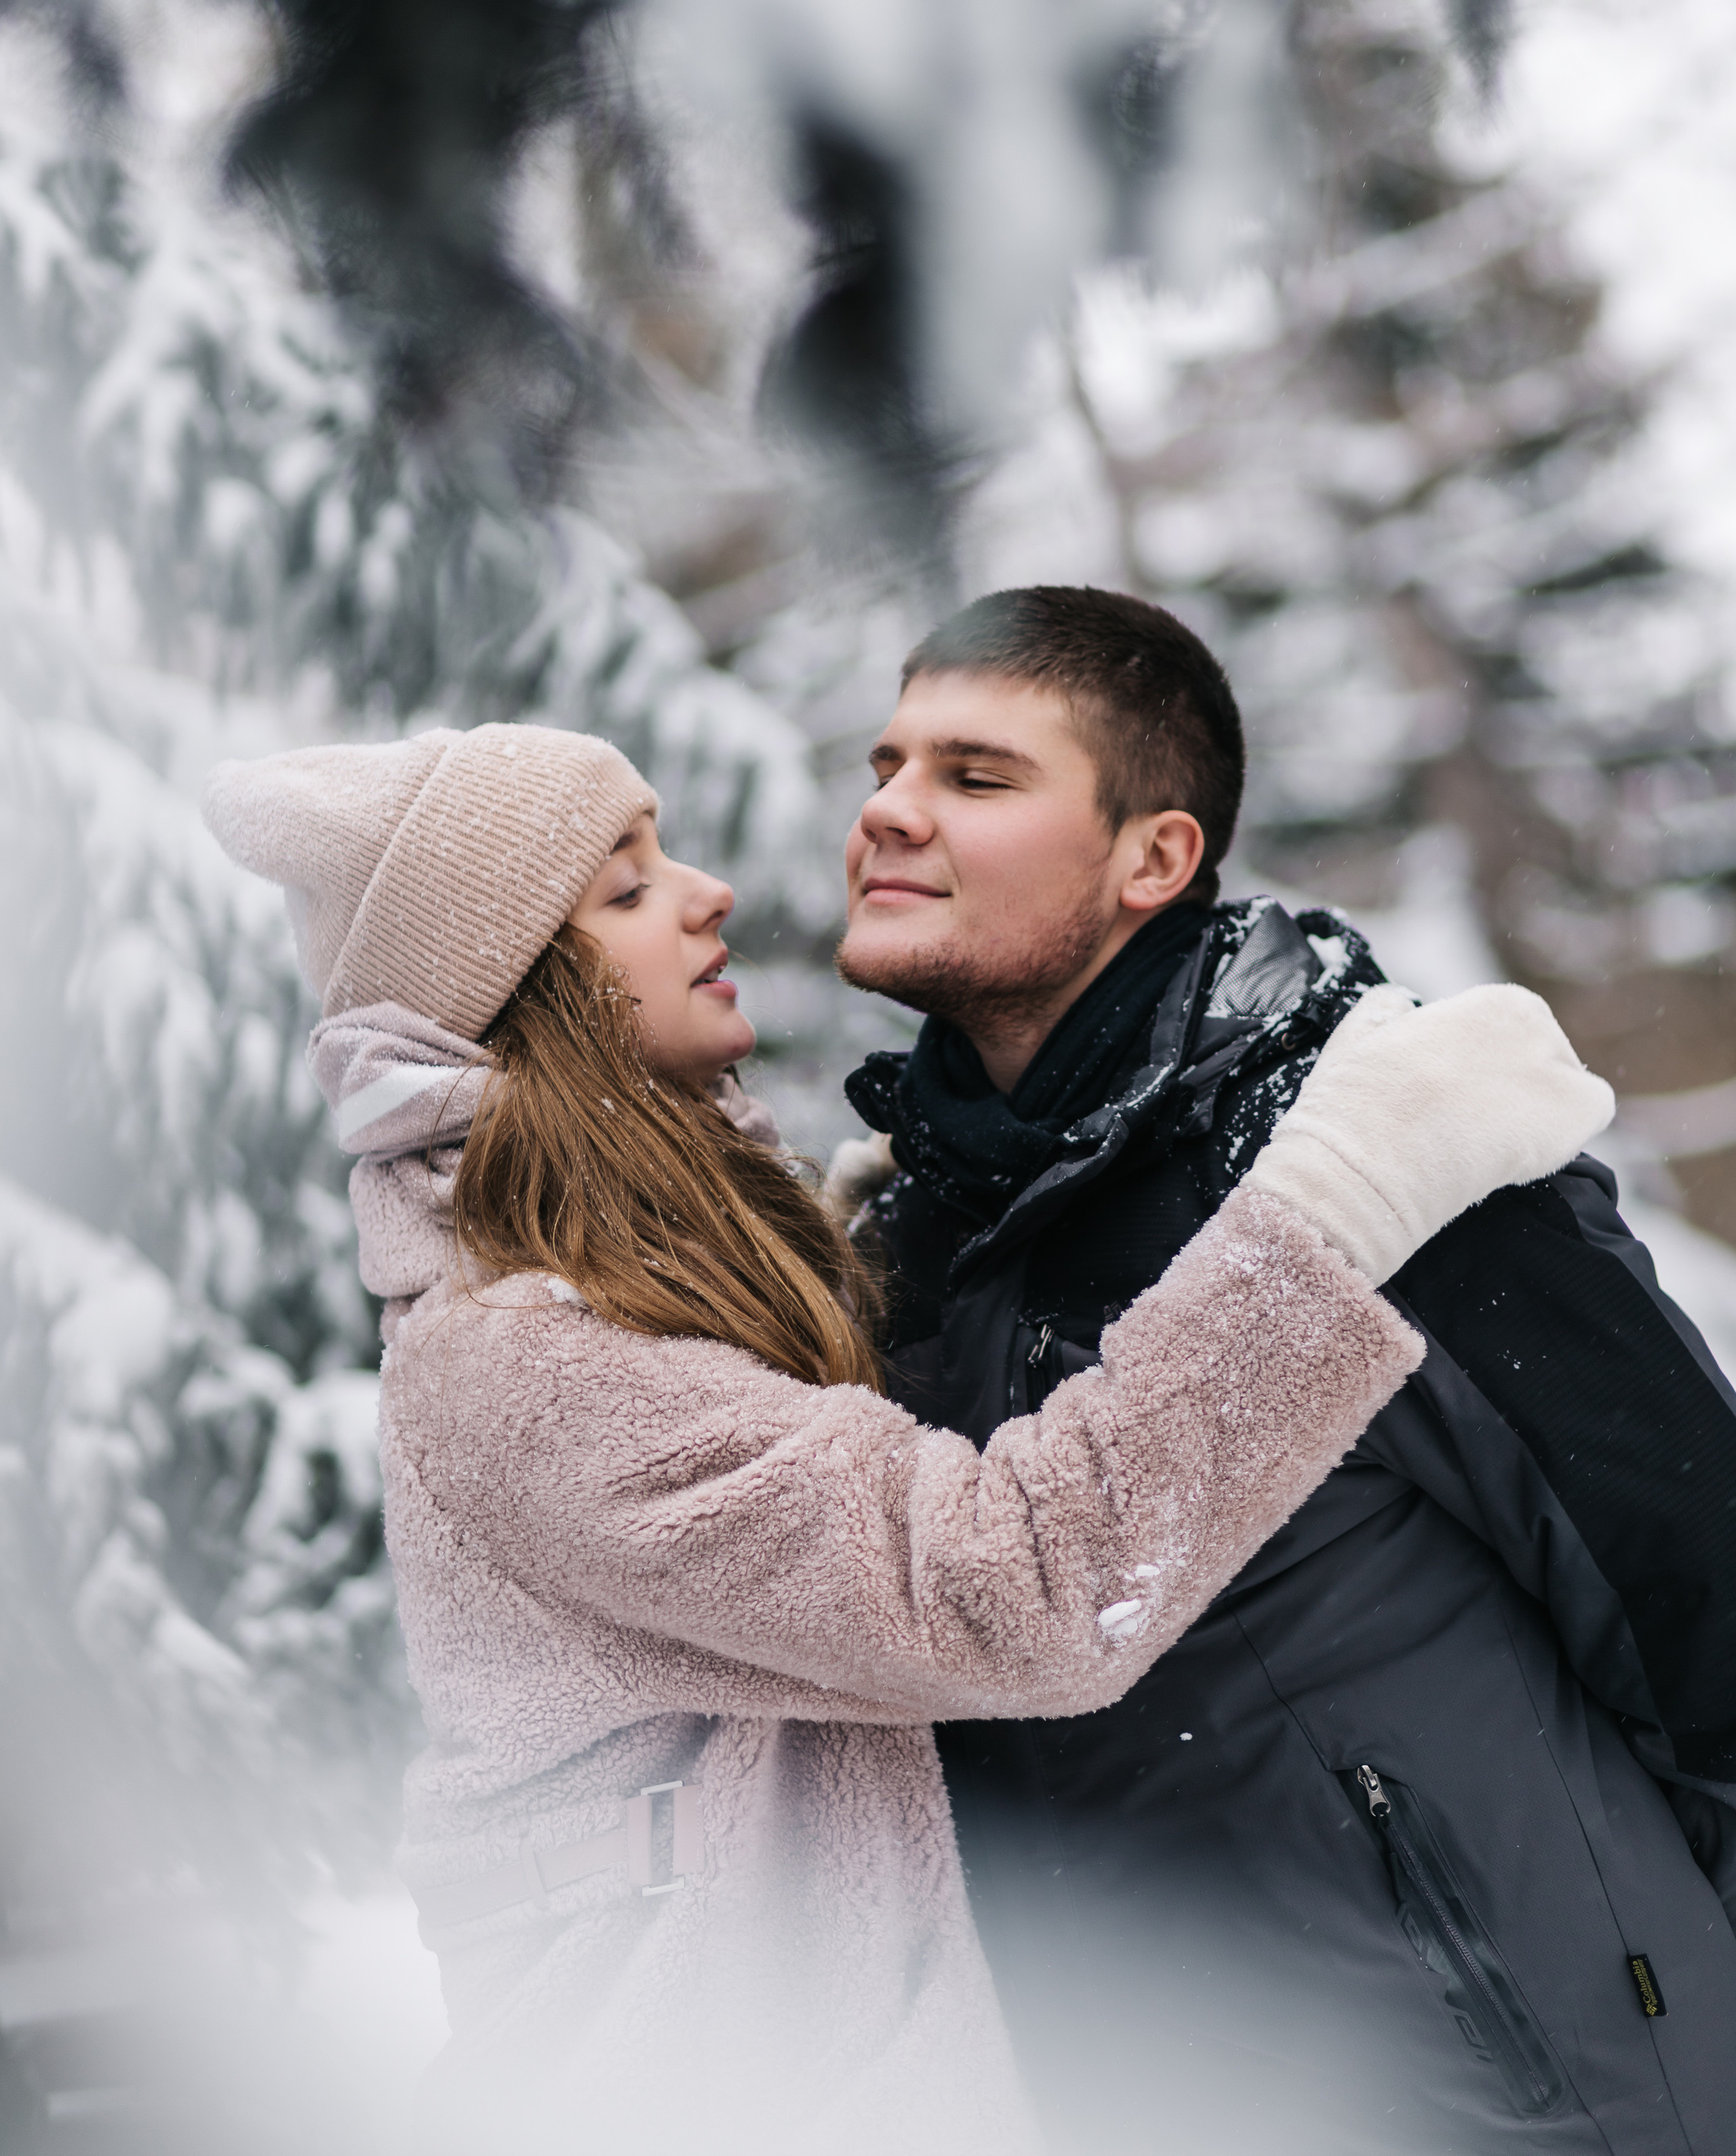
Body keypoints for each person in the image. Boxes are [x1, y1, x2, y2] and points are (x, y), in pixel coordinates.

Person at [199, 719, 1607, 2156]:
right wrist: (1335, 1204)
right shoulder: (521, 1363)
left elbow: (829, 1507)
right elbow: (1016, 1584)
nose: (705, 893)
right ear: (519, 1002)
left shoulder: (622, 1293)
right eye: (621, 892)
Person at [833, 583, 1736, 2156]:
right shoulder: (903, 1248)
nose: (889, 815)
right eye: (884, 766)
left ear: (1153, 857)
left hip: (1540, 2097)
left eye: (973, 779)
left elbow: (1700, 1600)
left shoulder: (1369, 1152)